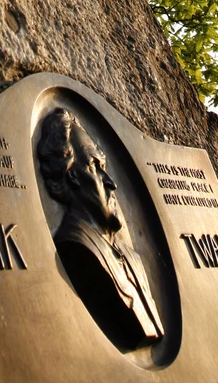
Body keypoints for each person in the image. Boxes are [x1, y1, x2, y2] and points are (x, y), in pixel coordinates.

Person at [37, 108, 164, 348]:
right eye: (95, 166)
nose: (111, 182)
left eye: (104, 165)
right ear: (72, 176)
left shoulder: (131, 257)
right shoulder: (75, 249)